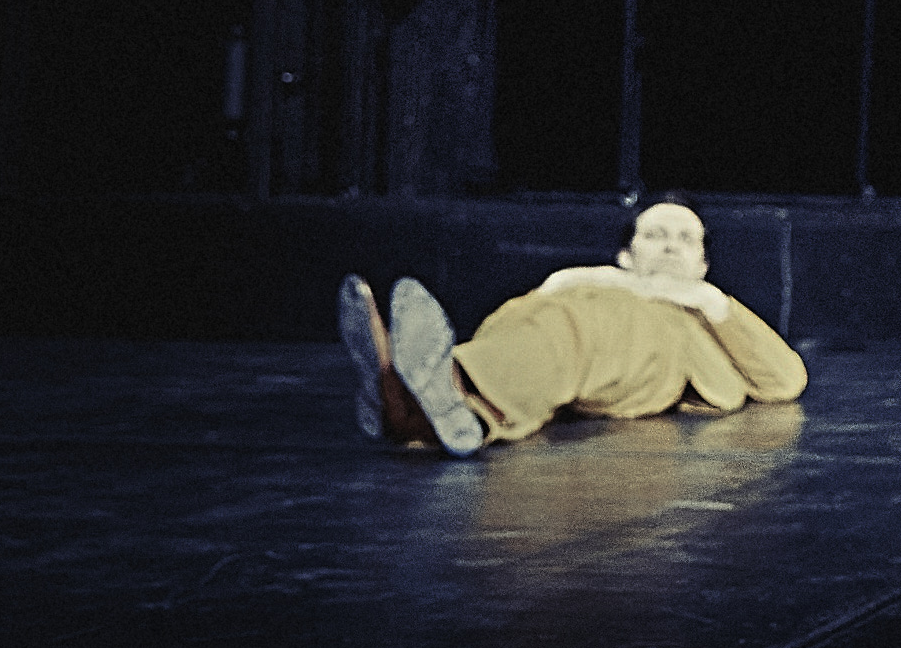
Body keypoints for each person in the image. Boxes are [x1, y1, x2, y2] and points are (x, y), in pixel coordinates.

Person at [337, 194, 807, 457]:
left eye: (686, 239)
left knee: (569, 331)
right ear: (626, 256)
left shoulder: (705, 314)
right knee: (542, 323)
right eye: (655, 235)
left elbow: (786, 379)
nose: (670, 246)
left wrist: (710, 301)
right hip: (568, 342)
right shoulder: (588, 284)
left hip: (641, 353)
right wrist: (571, 282)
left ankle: (420, 382)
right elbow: (517, 322)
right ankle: (437, 413)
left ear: (703, 264)